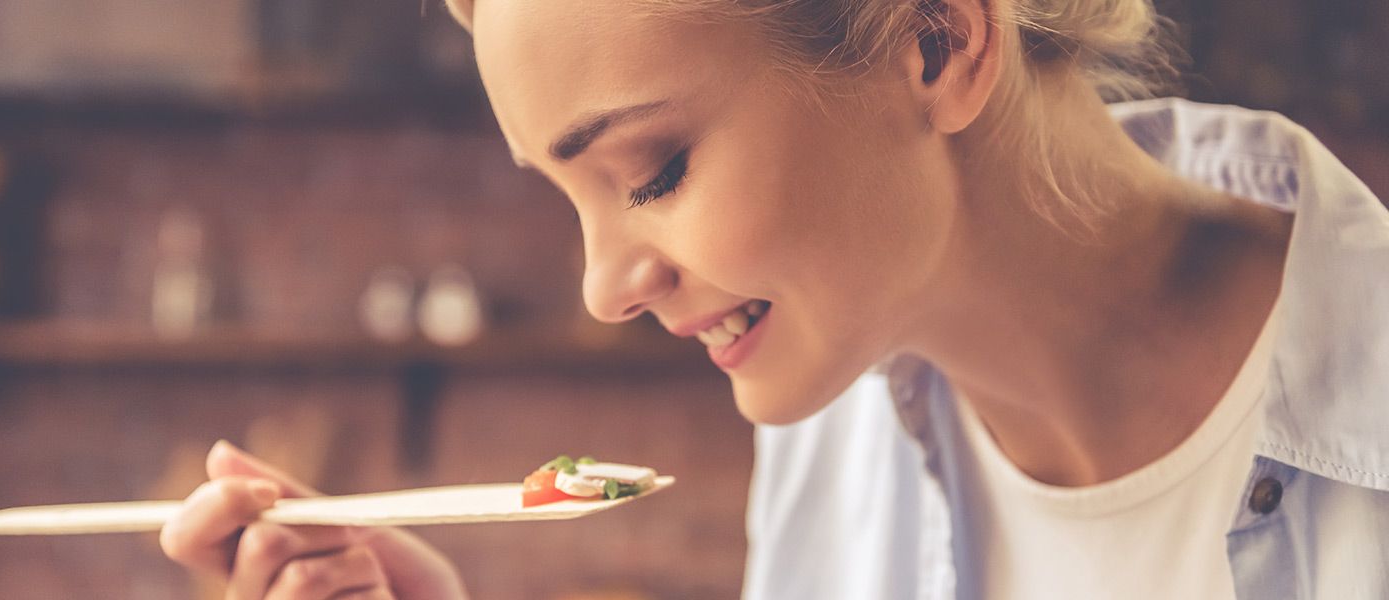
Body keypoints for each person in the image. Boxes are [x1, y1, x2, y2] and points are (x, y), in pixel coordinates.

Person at [160, 0, 1389, 598]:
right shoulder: (836, 433)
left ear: (933, 42)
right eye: (568, 195)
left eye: (654, 171)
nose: (601, 288)